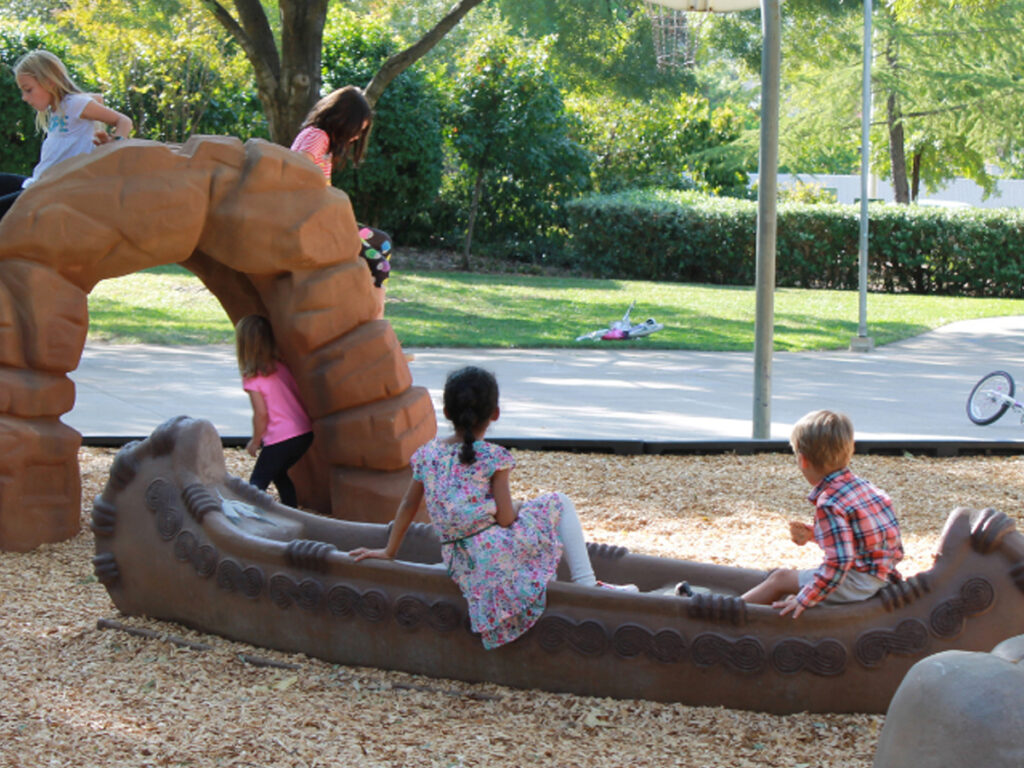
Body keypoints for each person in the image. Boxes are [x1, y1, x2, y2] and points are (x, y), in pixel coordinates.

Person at [350, 366, 635, 650]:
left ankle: (576, 586)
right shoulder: (493, 457)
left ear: (446, 412)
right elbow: (506, 518)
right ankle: (588, 587)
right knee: (559, 502)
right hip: (495, 554)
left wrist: (389, 551)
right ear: (495, 413)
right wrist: (519, 506)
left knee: (528, 527)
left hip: (458, 559)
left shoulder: (427, 455)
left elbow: (408, 504)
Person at [741, 409, 904, 618]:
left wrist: (806, 598)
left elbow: (840, 562)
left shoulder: (830, 503)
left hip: (859, 582)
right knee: (791, 583)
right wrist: (814, 534)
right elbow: (868, 539)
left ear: (802, 460)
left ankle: (724, 614)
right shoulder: (866, 488)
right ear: (850, 450)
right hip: (882, 575)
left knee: (779, 579)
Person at [289, 85, 392, 318]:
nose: (356, 137)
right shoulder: (318, 137)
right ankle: (375, 320)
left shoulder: (318, 138)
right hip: (315, 222)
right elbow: (297, 171)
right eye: (356, 130)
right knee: (380, 265)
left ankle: (371, 314)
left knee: (383, 242)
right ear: (343, 120)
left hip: (323, 218)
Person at [1, 49, 132, 219]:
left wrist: (115, 145)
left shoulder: (74, 104)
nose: (24, 97)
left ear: (49, 83)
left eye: (28, 90)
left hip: (52, 190)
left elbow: (123, 120)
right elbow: (96, 98)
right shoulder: (58, 109)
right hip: (39, 183)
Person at [235, 314, 314, 509]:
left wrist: (255, 441)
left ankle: (250, 519)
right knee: (279, 474)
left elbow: (261, 414)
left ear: (243, 345)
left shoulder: (253, 377)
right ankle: (292, 512)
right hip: (304, 433)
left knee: (257, 483)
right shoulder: (281, 367)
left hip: (282, 438)